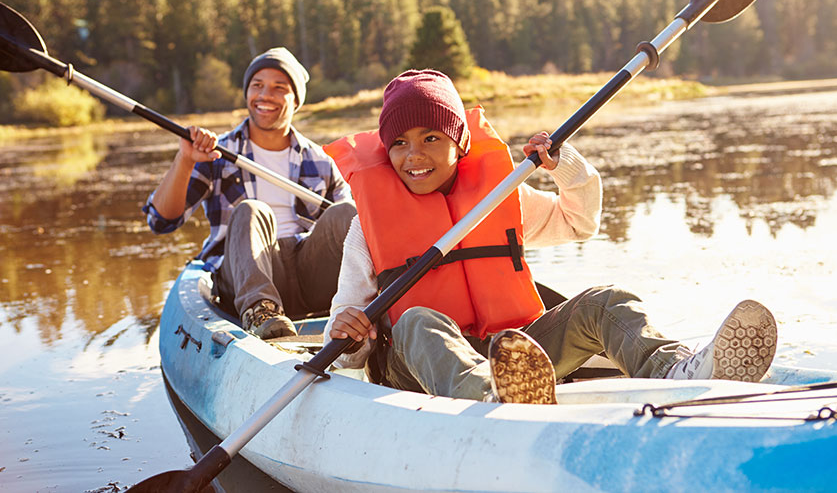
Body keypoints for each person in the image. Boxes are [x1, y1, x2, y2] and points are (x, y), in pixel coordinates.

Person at [323, 69, 777, 404]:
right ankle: (492, 399)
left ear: (460, 143)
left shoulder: (498, 199)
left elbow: (579, 221)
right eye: (399, 143)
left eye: (430, 137)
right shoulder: (368, 227)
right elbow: (345, 338)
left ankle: (676, 372)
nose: (414, 155)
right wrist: (348, 332)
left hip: (515, 354)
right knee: (418, 319)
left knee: (606, 301)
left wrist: (566, 167)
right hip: (414, 368)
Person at [143, 47, 356, 340]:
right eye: (257, 85)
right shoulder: (216, 154)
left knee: (347, 214)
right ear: (246, 94)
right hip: (242, 277)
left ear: (296, 101)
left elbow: (352, 232)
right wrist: (186, 160)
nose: (265, 95)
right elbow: (161, 221)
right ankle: (261, 312)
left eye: (279, 88)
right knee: (252, 210)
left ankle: (374, 311)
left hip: (306, 275)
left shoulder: (320, 161)